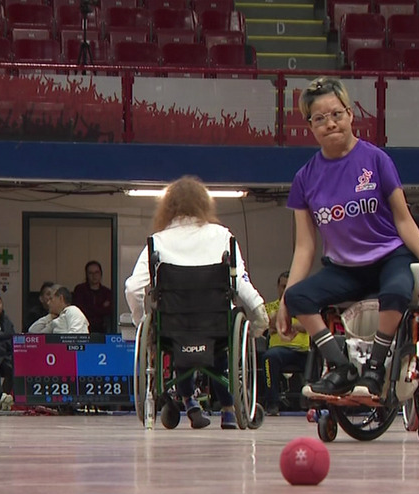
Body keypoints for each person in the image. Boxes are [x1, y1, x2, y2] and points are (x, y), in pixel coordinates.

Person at [278, 76, 419, 402]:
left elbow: (402, 218)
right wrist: (285, 300)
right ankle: (341, 368)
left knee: (396, 291)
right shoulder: (304, 178)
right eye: (320, 118)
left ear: (351, 114)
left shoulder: (376, 160)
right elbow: (305, 246)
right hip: (343, 268)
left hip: (388, 257)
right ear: (310, 126)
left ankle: (376, 368)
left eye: (336, 114)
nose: (330, 123)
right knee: (298, 297)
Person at [124, 176, 269, 429]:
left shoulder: (157, 241)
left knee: (176, 330)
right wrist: (259, 316)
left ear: (167, 207)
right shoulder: (223, 236)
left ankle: (188, 400)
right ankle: (227, 409)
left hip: (174, 328)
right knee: (226, 324)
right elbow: (241, 284)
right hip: (217, 327)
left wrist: (141, 324)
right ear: (204, 204)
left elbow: (133, 288)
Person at [261, 271, 310, 416]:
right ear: (278, 287)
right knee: (268, 358)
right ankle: (272, 404)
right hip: (279, 351)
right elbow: (267, 324)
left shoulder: (305, 307)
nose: (286, 290)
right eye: (283, 286)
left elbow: (310, 326)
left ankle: (313, 403)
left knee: (317, 357)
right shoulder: (270, 308)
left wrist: (286, 326)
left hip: (303, 351)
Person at [72, 260, 114, 334]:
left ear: (101, 274)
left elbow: (109, 311)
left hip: (102, 330)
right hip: (83, 329)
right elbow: (80, 311)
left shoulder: (107, 292)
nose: (94, 276)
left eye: (96, 272)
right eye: (90, 273)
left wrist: (92, 309)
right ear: (86, 275)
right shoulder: (80, 290)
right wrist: (101, 307)